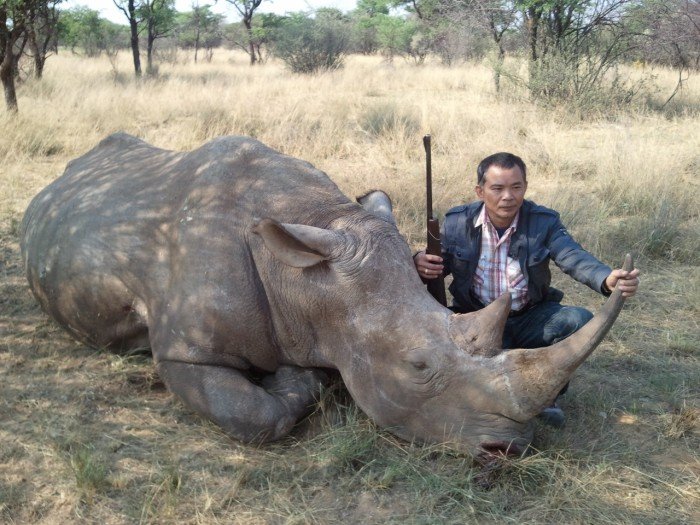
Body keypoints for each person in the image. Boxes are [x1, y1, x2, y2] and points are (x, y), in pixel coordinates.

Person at [413, 152, 640, 426]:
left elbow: (573, 256)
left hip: (530, 318)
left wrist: (606, 278)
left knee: (578, 321)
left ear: (525, 187)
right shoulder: (457, 222)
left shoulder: (543, 221)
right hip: (476, 321)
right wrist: (420, 263)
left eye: (516, 187)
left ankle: (548, 396)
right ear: (480, 191)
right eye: (497, 188)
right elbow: (438, 265)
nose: (507, 196)